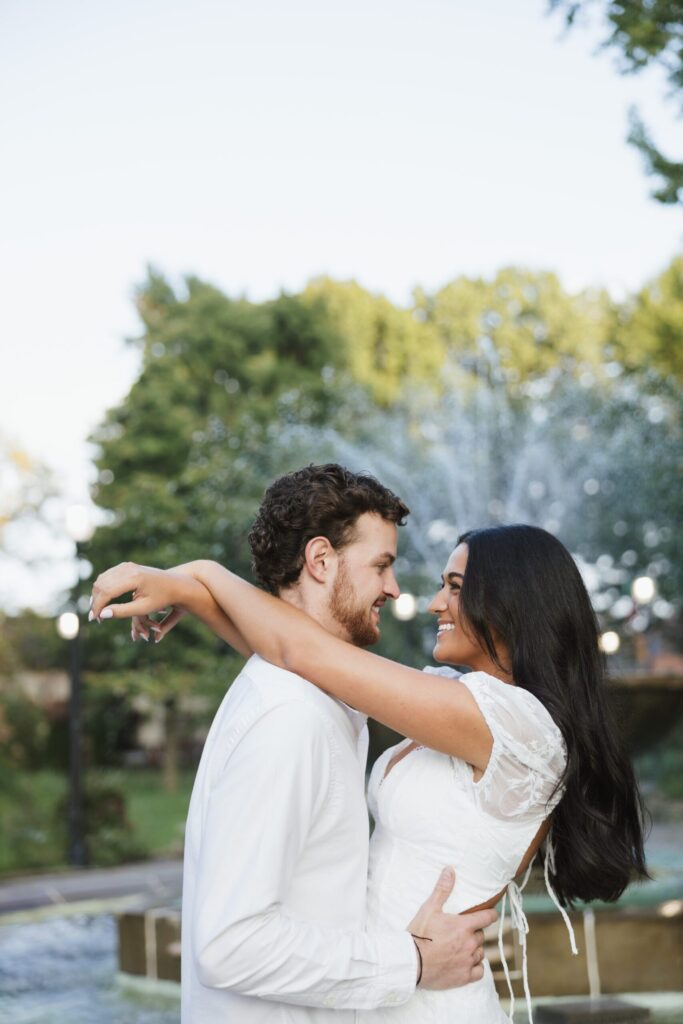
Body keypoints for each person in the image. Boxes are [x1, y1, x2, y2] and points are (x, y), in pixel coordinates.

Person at [91, 487, 649, 1023]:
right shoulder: (458, 702)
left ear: (512, 602)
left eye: (455, 587)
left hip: (432, 1000)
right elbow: (305, 662)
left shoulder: (517, 727)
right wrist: (194, 596)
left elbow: (301, 651)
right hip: (388, 987)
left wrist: (204, 574)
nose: (433, 602)